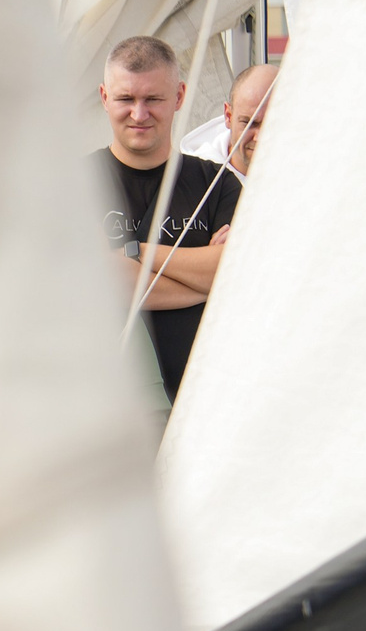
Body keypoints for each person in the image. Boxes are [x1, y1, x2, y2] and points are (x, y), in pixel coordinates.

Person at [95, 34, 237, 401]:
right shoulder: (73, 184)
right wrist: (204, 284)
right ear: (104, 97)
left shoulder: (217, 184)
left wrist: (133, 251)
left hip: (205, 406)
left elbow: (237, 272)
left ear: (178, 97)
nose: (139, 114)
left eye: (153, 99)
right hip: (105, 411)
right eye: (126, 98)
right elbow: (103, 283)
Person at [223, 62, 278, 178]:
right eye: (249, 123)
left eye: (272, 125)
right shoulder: (199, 184)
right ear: (228, 116)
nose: (259, 137)